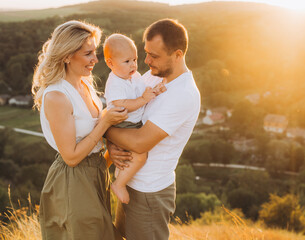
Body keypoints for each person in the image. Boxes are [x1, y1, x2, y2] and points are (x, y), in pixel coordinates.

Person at [32, 20, 128, 240]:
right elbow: (72, 157)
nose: (95, 59)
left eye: (94, 52)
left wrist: (109, 155)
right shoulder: (57, 95)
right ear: (67, 55)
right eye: (88, 53)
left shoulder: (85, 84)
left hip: (96, 173)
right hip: (72, 180)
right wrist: (104, 122)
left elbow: (91, 143)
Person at [105, 18, 201, 240]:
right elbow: (119, 109)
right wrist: (112, 142)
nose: (146, 60)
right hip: (131, 184)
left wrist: (105, 129)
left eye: (154, 55)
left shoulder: (183, 94)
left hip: (150, 193)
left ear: (178, 54)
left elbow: (139, 142)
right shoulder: (152, 75)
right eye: (146, 52)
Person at [103, 33, 165, 204]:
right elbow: (121, 103)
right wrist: (143, 100)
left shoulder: (134, 76)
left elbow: (143, 91)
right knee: (140, 156)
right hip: (124, 124)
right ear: (110, 63)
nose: (133, 65)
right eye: (127, 61)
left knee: (128, 156)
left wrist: (154, 92)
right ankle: (119, 184)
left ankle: (115, 176)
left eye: (135, 59)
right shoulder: (115, 82)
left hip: (133, 124)